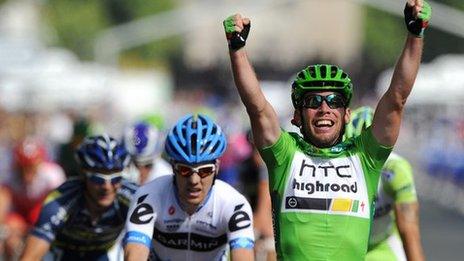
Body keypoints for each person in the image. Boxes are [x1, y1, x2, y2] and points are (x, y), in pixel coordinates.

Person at [222, 0, 431, 259]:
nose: (324, 109)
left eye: (334, 102)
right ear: (297, 116)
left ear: (346, 115)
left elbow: (397, 98)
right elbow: (257, 107)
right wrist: (237, 49)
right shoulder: (284, 155)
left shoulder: (365, 157)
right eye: (312, 102)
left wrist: (415, 34)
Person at [123, 114, 255, 261]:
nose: (194, 180)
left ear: (216, 168)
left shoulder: (234, 204)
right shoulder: (148, 197)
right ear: (173, 167)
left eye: (205, 170)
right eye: (184, 170)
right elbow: (135, 254)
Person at [20, 134, 138, 261]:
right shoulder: (62, 200)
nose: (107, 187)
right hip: (62, 254)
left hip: (101, 254)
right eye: (98, 178)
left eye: (115, 178)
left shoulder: (133, 196)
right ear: (83, 174)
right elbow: (30, 257)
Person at [345, 106, 424, 261]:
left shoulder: (396, 169)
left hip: (383, 243)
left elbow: (410, 232)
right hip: (348, 245)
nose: (366, 162)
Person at [0, 137, 65, 260]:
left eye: (30, 167)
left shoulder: (52, 174)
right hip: (19, 214)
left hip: (41, 211)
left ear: (40, 163)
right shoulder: (9, 176)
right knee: (10, 239)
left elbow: (60, 205)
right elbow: (2, 202)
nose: (26, 173)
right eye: (22, 167)